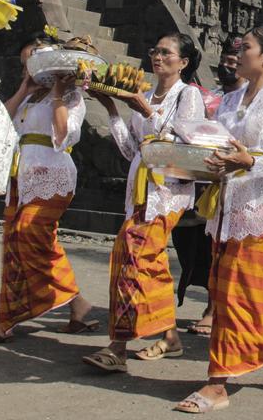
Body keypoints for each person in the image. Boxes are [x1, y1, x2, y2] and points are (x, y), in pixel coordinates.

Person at [173, 26, 263, 413]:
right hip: (227, 210)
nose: (238, 52)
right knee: (230, 294)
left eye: (246, 47)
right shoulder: (231, 99)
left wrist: (249, 160)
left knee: (237, 296)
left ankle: (218, 384)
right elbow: (219, 145)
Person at [82, 32, 205, 372]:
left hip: (166, 193)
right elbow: (131, 150)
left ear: (183, 62)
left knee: (132, 259)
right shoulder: (146, 94)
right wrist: (112, 109)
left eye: (167, 53)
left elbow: (182, 144)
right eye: (155, 50)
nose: (158, 57)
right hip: (139, 189)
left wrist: (147, 111)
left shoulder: (187, 95)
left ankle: (117, 347)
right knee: (147, 264)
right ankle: (170, 336)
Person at [0, 34, 97, 344]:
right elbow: (4, 122)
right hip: (21, 173)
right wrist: (25, 87)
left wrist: (58, 94)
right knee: (18, 244)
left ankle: (13, 315)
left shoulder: (72, 98)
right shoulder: (29, 95)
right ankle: (74, 304)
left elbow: (63, 134)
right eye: (26, 64)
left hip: (52, 172)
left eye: (34, 63)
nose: (29, 69)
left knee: (28, 234)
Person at [180, 34, 247, 336]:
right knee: (206, 247)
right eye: (223, 61)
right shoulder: (214, 97)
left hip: (244, 183)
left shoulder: (254, 98)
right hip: (211, 180)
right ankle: (212, 305)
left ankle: (221, 309)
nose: (225, 66)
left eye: (233, 62)